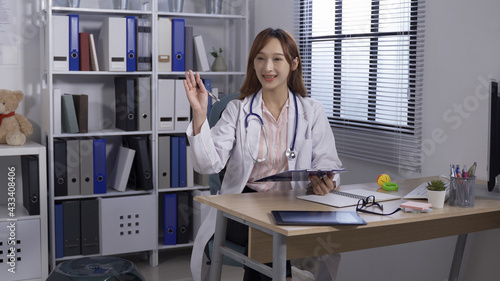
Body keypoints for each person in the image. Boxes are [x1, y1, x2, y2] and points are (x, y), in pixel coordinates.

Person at [184, 28, 342, 281]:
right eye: (260, 58)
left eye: (277, 58)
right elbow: (207, 164)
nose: (268, 67)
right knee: (269, 237)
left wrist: (327, 181)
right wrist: (200, 114)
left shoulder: (312, 111)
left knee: (333, 234)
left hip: (295, 204)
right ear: (253, 64)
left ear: (293, 63)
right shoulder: (237, 110)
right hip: (242, 207)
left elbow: (328, 161)